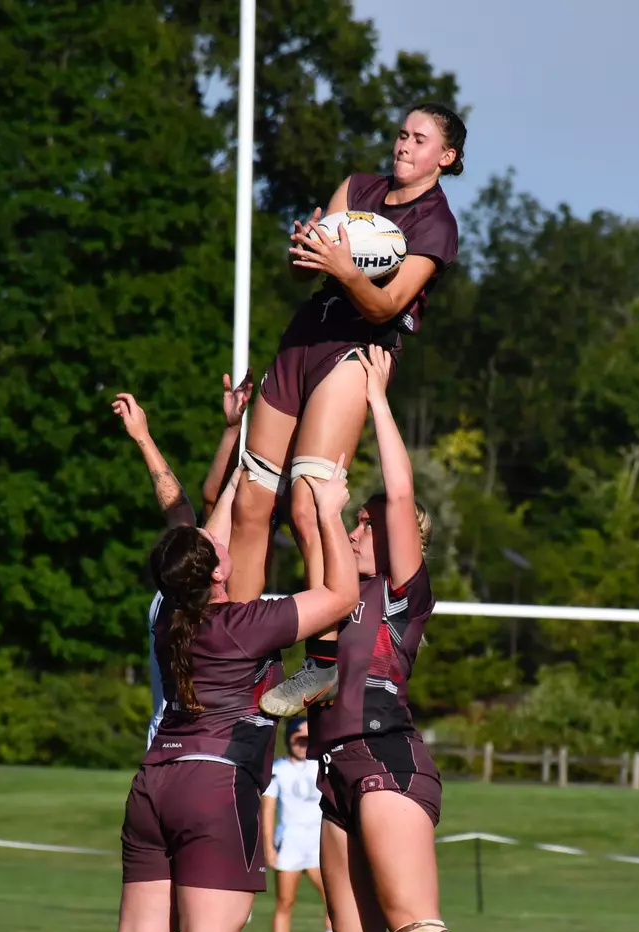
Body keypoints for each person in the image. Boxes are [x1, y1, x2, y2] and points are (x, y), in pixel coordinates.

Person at [72, 401, 356, 932]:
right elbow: (340, 594)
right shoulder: (246, 624)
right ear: (218, 571)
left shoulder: (168, 612)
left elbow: (188, 526)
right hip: (214, 785)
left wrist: (182, 441)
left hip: (153, 781)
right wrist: (327, 511)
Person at [310, 344, 511, 932]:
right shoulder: (332, 596)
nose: (354, 532)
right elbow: (309, 514)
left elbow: (398, 494)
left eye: (364, 526)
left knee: (416, 930)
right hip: (333, 774)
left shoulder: (401, 591)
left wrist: (376, 401)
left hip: (386, 761)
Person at [229, 104, 466, 716]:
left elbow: (386, 306)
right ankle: (239, 649)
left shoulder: (437, 225)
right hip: (306, 336)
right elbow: (301, 272)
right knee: (251, 500)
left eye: (419, 139)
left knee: (310, 503)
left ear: (446, 157)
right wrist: (305, 252)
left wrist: (343, 267)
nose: (403, 145)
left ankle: (323, 660)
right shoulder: (357, 189)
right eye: (401, 134)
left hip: (357, 349)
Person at [105, 385, 265, 932]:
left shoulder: (170, 596)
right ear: (211, 570)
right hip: (210, 768)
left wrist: (151, 439)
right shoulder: (223, 617)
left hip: (158, 769)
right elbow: (209, 512)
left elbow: (182, 516)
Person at [262, 717, 337, 932]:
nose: (303, 744)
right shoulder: (278, 770)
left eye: (308, 739)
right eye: (298, 739)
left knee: (333, 898)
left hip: (318, 844)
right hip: (290, 844)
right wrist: (268, 848)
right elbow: (268, 810)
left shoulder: (321, 766)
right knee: (285, 901)